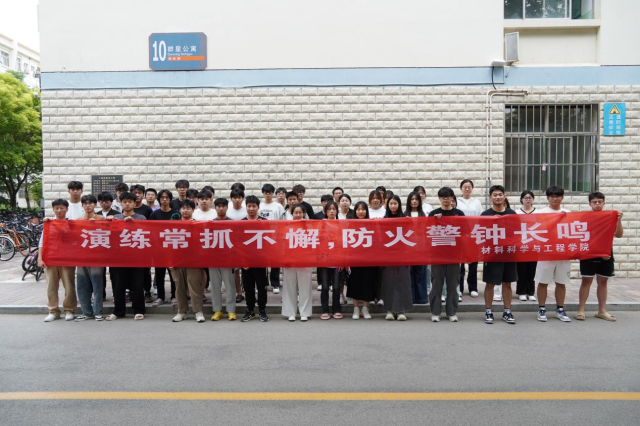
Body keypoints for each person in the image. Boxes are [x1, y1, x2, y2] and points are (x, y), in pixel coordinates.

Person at [576, 192, 624, 322]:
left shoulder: (610, 216)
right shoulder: (584, 217)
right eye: (594, 202)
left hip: (606, 254)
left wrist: (619, 220)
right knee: (586, 281)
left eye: (599, 202)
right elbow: (580, 235)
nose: (597, 204)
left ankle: (601, 311)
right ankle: (581, 310)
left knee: (603, 282)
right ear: (590, 204)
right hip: (588, 253)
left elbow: (619, 235)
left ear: (604, 203)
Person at [105, 192, 147, 321]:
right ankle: (118, 311)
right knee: (118, 285)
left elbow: (146, 234)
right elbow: (109, 236)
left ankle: (139, 310)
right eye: (124, 202)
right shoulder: (115, 218)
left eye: (130, 202)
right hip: (118, 258)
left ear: (135, 203)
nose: (127, 204)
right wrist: (108, 222)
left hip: (136, 257)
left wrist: (133, 224)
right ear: (121, 203)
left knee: (138, 285)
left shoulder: (141, 218)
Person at [534, 186, 572, 323]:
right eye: (552, 197)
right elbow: (534, 230)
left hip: (563, 253)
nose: (555, 199)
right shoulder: (540, 213)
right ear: (547, 198)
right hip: (546, 252)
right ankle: (541, 308)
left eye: (557, 196)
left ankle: (560, 309)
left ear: (562, 197)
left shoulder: (568, 213)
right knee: (543, 281)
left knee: (561, 282)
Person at [481, 185, 517, 325]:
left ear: (504, 196)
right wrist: (491, 222)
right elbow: (480, 234)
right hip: (492, 254)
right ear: (490, 197)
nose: (498, 197)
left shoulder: (512, 213)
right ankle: (488, 311)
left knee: (507, 283)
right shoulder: (485, 215)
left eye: (500, 194)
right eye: (495, 195)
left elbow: (517, 233)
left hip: (508, 253)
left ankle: (507, 311)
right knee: (490, 283)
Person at [428, 187, 465, 322]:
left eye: (448, 196)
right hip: (437, 255)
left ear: (452, 198)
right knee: (436, 285)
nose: (446, 199)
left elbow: (465, 231)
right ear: (439, 198)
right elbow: (427, 232)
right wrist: (434, 221)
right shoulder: (433, 214)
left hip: (454, 256)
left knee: (453, 285)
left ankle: (451, 312)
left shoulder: (459, 214)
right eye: (443, 197)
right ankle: (435, 312)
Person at [38, 199, 77, 322]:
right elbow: (42, 242)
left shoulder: (71, 224)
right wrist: (40, 258)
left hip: (67, 259)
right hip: (50, 259)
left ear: (67, 209)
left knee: (69, 286)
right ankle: (53, 311)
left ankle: (69, 310)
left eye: (62, 208)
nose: (59, 210)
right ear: (53, 209)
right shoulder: (49, 224)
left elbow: (76, 241)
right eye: (57, 208)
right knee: (51, 286)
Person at [170, 199, 206, 323]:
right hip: (177, 260)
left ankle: (198, 311)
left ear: (193, 210)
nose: (185, 211)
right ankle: (182, 311)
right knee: (179, 286)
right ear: (180, 210)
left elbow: (202, 244)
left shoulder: (198, 225)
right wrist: (170, 261)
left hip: (194, 261)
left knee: (194, 286)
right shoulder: (174, 225)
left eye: (188, 208)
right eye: (183, 208)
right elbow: (168, 245)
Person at [380, 195, 413, 321]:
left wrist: (410, 222)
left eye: (395, 203)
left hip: (403, 256)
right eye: (391, 204)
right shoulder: (383, 220)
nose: (393, 206)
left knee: (402, 282)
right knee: (388, 282)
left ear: (399, 205)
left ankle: (401, 311)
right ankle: (389, 310)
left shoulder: (405, 219)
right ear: (387, 205)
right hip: (387, 256)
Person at [74, 194, 106, 321]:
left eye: (90, 203)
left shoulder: (101, 218)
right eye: (85, 203)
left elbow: (107, 234)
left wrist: (96, 225)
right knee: (82, 286)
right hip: (81, 257)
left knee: (97, 285)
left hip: (96, 257)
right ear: (82, 205)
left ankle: (98, 311)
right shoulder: (78, 220)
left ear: (95, 204)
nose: (88, 205)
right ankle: (86, 312)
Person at [282, 204, 314, 321]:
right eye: (296, 213)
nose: (298, 215)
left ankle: (304, 312)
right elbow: (282, 244)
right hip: (290, 261)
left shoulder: (310, 226)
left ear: (304, 214)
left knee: (305, 288)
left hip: (305, 261)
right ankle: (290, 312)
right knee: (289, 288)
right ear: (292, 214)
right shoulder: (286, 226)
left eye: (300, 212)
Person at [240, 195, 270, 322]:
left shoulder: (264, 222)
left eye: (254, 206)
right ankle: (250, 310)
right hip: (246, 262)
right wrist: (243, 261)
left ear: (258, 207)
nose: (251, 208)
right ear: (246, 207)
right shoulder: (241, 223)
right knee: (248, 288)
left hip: (260, 261)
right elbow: (238, 244)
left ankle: (262, 310)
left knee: (262, 287)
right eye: (249, 206)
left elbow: (269, 242)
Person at [150, 189, 181, 307]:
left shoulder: (176, 213)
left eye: (167, 197)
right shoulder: (154, 214)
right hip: (159, 249)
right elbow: (151, 231)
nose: (164, 200)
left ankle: (174, 296)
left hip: (173, 248)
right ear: (159, 200)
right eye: (162, 197)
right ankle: (160, 297)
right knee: (159, 274)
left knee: (174, 274)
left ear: (170, 199)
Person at [210, 198, 238, 321]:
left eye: (223, 206)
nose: (221, 209)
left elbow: (237, 242)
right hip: (213, 259)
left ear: (227, 207)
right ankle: (217, 310)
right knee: (215, 285)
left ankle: (231, 310)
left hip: (228, 259)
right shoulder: (210, 223)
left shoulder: (233, 223)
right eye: (218, 206)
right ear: (215, 207)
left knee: (230, 285)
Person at [348, 202, 376, 320]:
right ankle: (356, 309)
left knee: (367, 283)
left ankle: (365, 308)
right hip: (354, 260)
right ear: (355, 211)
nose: (360, 212)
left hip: (368, 260)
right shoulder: (350, 224)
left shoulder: (371, 224)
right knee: (355, 283)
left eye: (363, 209)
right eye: (358, 209)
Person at [456, 179, 482, 298]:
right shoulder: (457, 201)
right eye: (465, 187)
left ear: (472, 188)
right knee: (460, 264)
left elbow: (481, 217)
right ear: (461, 188)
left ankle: (473, 288)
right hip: (460, 235)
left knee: (473, 263)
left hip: (473, 235)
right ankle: (460, 288)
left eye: (469, 187)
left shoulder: (476, 202)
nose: (467, 189)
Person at [259, 184, 285, 294]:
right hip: (261, 237)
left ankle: (275, 284)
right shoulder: (259, 205)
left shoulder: (278, 206)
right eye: (266, 193)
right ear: (263, 193)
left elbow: (283, 222)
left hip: (275, 237)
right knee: (262, 262)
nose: (268, 195)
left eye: (270, 192)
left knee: (275, 261)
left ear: (273, 193)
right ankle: (263, 283)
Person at [319, 201, 342, 320]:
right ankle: (325, 310)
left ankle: (336, 309)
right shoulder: (321, 224)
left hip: (337, 261)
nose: (332, 211)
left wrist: (343, 260)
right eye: (329, 209)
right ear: (325, 211)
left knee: (337, 287)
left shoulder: (341, 224)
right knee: (325, 287)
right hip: (324, 260)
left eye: (334, 209)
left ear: (337, 211)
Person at [405, 191, 429, 305]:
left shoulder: (423, 215)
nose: (414, 201)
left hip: (421, 249)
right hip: (408, 249)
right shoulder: (404, 215)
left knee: (421, 274)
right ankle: (411, 298)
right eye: (412, 199)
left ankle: (421, 298)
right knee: (409, 274)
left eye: (416, 199)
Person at [516, 190, 537, 302]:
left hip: (534, 245)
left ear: (533, 199)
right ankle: (521, 292)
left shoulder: (538, 212)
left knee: (532, 270)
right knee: (521, 270)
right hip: (521, 245)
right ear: (521, 199)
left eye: (530, 198)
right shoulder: (516, 212)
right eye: (525, 198)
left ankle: (531, 292)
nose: (528, 200)